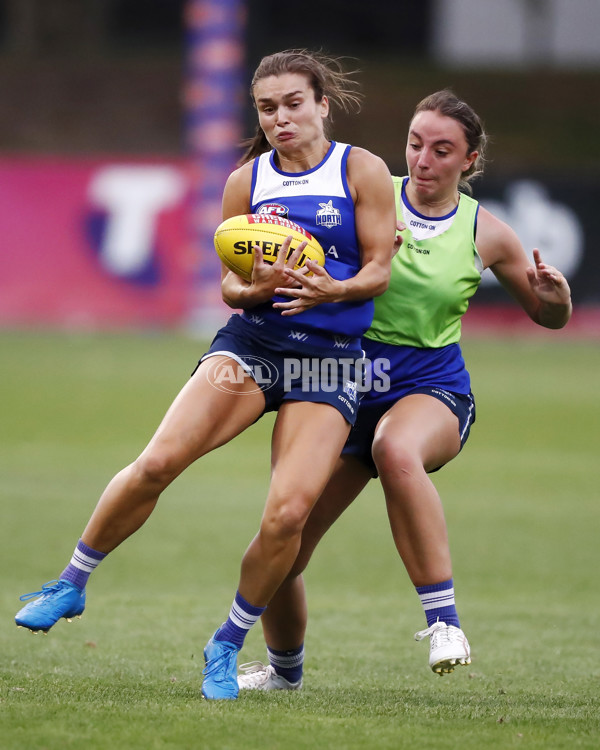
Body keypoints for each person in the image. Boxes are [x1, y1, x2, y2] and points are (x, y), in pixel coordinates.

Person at [14, 49, 397, 701]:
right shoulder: (247, 180)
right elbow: (228, 283)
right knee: (158, 462)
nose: (280, 118)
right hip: (251, 347)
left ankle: (225, 643)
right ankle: (70, 584)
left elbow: (379, 271)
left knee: (287, 516)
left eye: (293, 104)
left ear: (323, 104)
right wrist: (258, 288)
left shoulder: (360, 170)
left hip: (329, 362)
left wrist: (331, 289)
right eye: (267, 107)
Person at [234, 89, 573, 691]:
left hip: (430, 386)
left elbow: (546, 316)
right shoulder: (365, 190)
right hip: (342, 383)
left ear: (469, 160)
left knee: (396, 449)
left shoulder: (487, 233)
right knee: (282, 542)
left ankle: (444, 623)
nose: (423, 160)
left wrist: (556, 299)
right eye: (416, 144)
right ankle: (285, 674)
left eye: (442, 151)